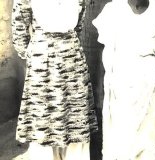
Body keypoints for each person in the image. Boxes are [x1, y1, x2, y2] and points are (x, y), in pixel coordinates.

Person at [11, 0, 98, 159]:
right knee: (44, 117)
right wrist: (33, 54)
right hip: (43, 61)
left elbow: (79, 24)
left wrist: (67, 47)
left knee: (74, 116)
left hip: (72, 61)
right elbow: (19, 29)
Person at [92, 0, 155, 159]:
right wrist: (100, 91)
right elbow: (102, 49)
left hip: (147, 88)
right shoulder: (112, 10)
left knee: (145, 142)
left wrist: (151, 80)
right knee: (118, 141)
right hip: (117, 86)